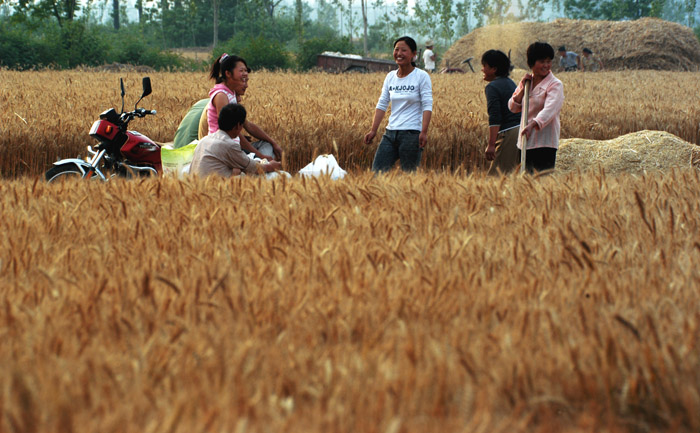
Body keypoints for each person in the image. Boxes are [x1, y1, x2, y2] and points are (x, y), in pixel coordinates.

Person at [364, 36, 433, 173]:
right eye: (396, 50)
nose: (399, 53)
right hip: (390, 134)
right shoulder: (390, 77)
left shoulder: (421, 76)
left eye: (404, 50)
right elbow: (382, 104)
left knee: (409, 176)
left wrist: (423, 131)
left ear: (414, 54)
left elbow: (427, 105)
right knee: (377, 173)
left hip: (412, 134)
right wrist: (373, 130)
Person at [202, 53, 283, 161]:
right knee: (263, 160)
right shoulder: (221, 96)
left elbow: (248, 125)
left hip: (235, 146)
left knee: (267, 145)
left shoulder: (231, 94)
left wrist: (274, 143)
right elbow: (232, 131)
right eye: (241, 70)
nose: (245, 73)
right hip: (225, 149)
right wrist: (261, 156)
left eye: (246, 70)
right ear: (228, 74)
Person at [508, 42, 565, 173]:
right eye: (541, 61)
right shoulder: (527, 82)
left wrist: (532, 125)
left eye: (548, 61)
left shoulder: (555, 84)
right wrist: (523, 88)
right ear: (531, 63)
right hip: (524, 141)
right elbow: (513, 106)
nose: (546, 66)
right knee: (524, 181)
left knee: (541, 182)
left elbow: (550, 109)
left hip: (544, 142)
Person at [190, 103, 281, 178]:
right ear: (238, 125)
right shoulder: (229, 145)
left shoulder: (204, 140)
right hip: (214, 190)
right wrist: (271, 166)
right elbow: (253, 168)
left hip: (197, 187)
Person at [481, 49, 521, 175]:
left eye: (484, 66)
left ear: (494, 69)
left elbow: (495, 117)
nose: (482, 70)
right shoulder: (510, 83)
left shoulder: (492, 87)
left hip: (509, 133)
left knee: (496, 177)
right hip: (521, 130)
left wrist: (491, 144)